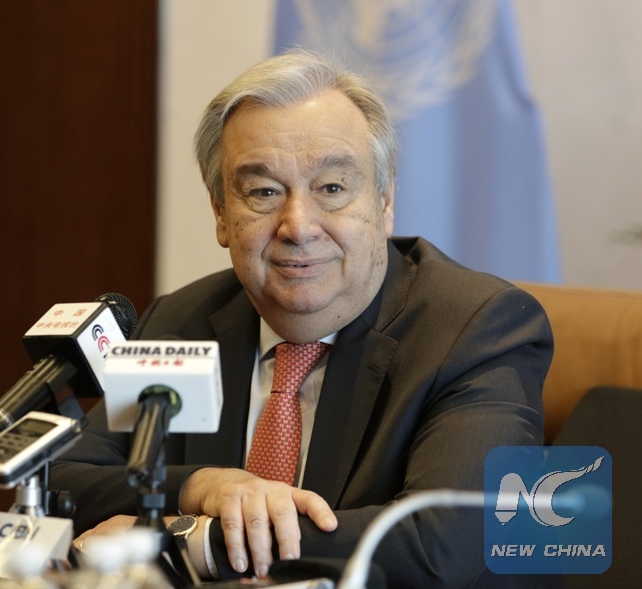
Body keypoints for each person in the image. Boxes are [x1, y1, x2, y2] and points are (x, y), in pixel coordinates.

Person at [48, 49, 554, 588]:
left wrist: (187, 540)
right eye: (263, 192)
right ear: (221, 214)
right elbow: (61, 477)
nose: (298, 226)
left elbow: (440, 542)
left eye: (331, 188)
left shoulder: (478, 328)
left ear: (384, 202)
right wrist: (203, 486)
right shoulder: (182, 319)